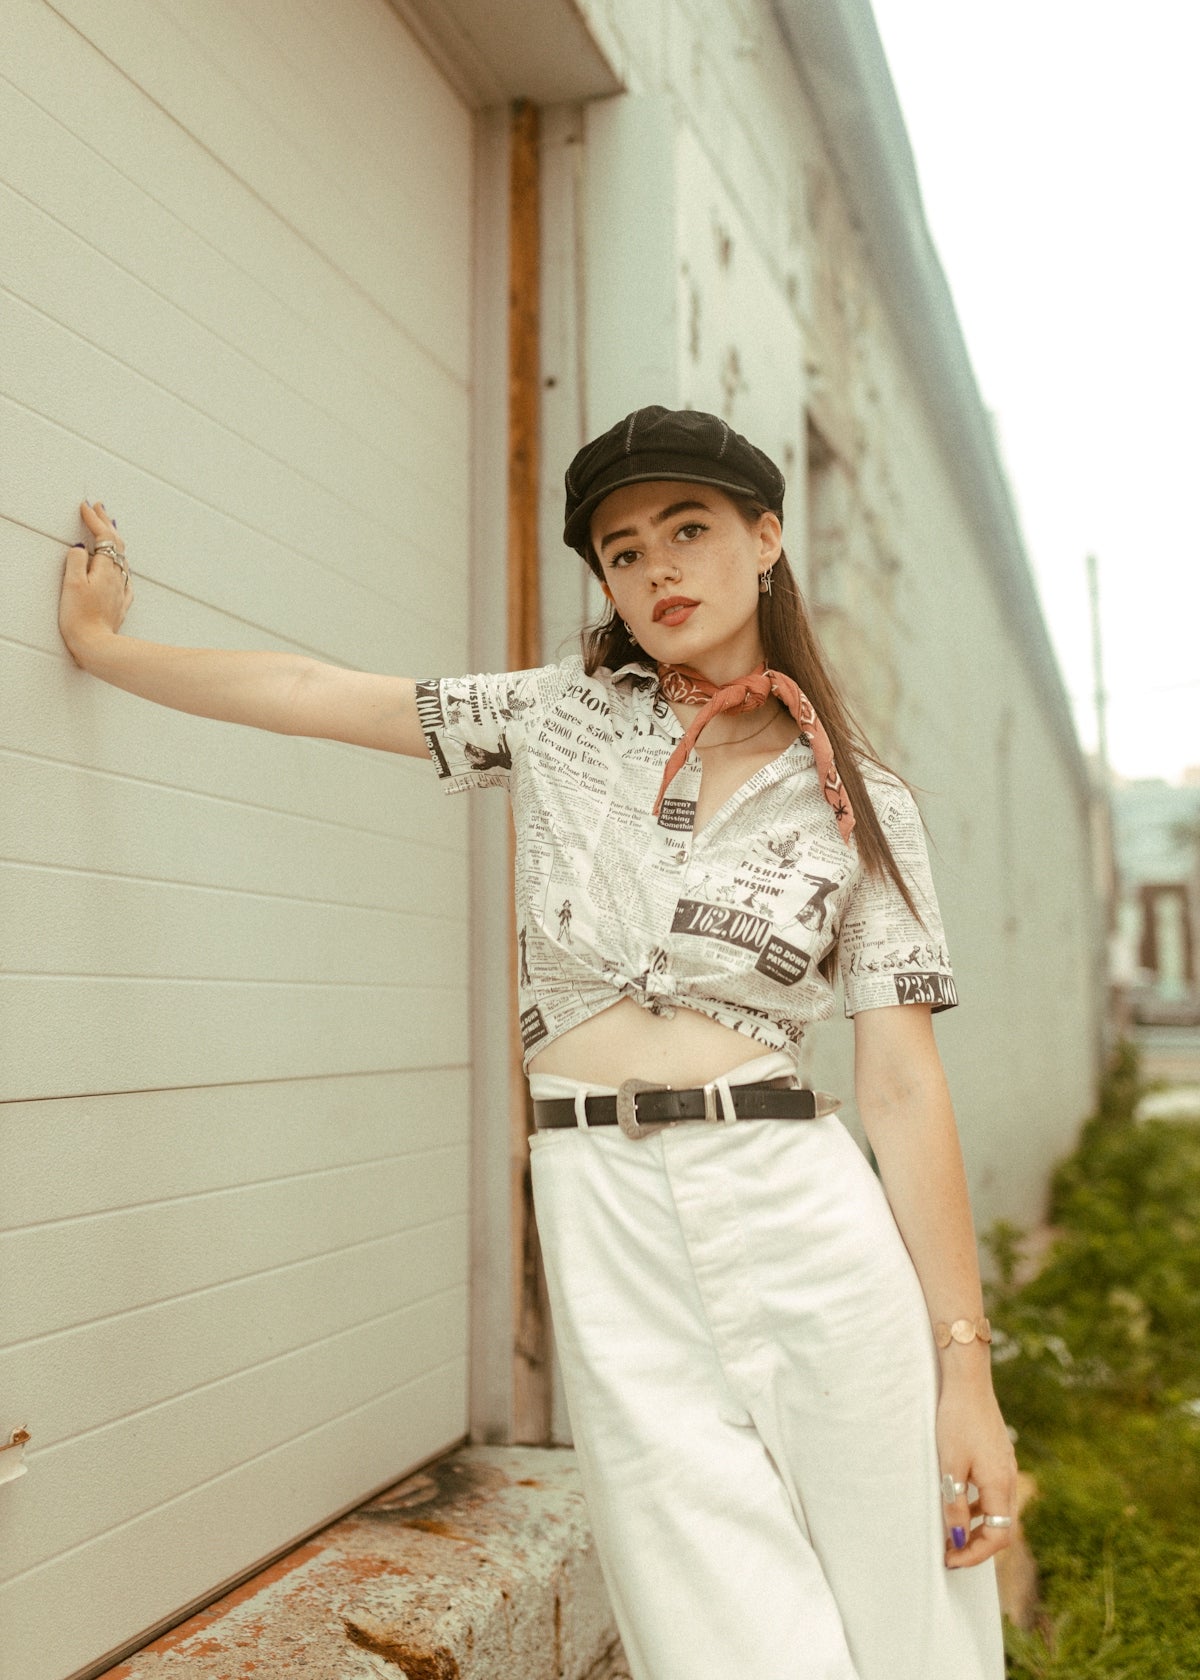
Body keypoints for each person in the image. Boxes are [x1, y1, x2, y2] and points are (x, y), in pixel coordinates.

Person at [58, 406, 1016, 1680]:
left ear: (766, 537)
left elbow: (901, 1084)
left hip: (794, 1199)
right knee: (708, 1615)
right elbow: (316, 693)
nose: (658, 568)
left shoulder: (862, 796)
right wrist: (105, 650)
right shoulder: (557, 717)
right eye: (622, 550)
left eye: (690, 529)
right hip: (599, 1198)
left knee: (911, 1608)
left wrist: (968, 1374)